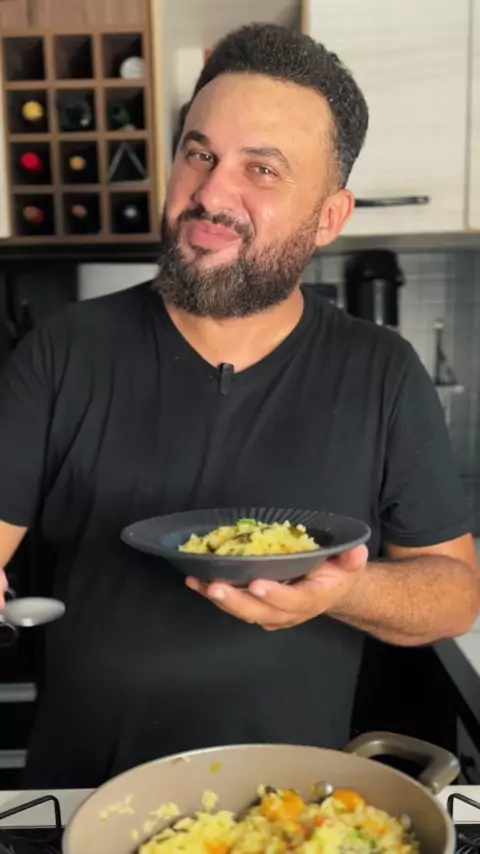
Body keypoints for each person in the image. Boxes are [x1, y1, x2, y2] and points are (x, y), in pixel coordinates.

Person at [0, 23, 479, 789]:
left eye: (262, 168)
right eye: (200, 154)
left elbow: (454, 593)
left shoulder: (381, 371)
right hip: (83, 801)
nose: (212, 194)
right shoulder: (61, 353)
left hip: (288, 813)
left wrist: (344, 589)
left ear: (329, 217)